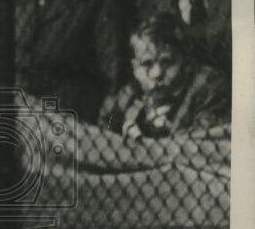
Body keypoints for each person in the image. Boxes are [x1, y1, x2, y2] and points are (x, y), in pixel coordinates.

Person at [98, 13, 229, 139]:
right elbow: (108, 121)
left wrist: (151, 139)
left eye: (167, 62)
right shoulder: (131, 91)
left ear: (186, 61)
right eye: (147, 64)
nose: (157, 73)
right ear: (134, 67)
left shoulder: (208, 87)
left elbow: (200, 143)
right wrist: (115, 130)